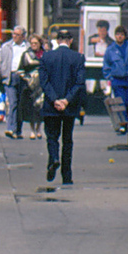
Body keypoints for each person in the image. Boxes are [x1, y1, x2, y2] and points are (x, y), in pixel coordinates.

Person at [39, 29, 86, 185]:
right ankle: (67, 175)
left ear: (57, 40)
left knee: (52, 137)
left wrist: (54, 100)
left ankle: (53, 157)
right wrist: (66, 100)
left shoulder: (46, 57)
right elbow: (79, 83)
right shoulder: (78, 57)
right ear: (70, 40)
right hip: (69, 107)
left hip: (51, 106)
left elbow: (44, 82)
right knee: (68, 139)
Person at [102, 25, 128, 121]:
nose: (119, 37)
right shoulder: (110, 49)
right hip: (117, 80)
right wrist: (109, 77)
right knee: (121, 103)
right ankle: (124, 123)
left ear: (125, 36)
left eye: (121, 34)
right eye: (117, 35)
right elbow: (106, 64)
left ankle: (127, 119)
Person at [0, 26, 28, 139]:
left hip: (23, 77)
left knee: (20, 105)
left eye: (17, 35)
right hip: (9, 76)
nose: (14, 36)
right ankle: (10, 128)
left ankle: (18, 130)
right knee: (12, 102)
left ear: (23, 36)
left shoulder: (27, 47)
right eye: (13, 34)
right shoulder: (6, 47)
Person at [18, 34, 44, 140]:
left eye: (36, 43)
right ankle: (32, 130)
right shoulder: (26, 55)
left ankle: (39, 128)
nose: (33, 45)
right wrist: (28, 79)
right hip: (30, 86)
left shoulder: (45, 54)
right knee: (31, 109)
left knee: (41, 108)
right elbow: (20, 70)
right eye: (32, 43)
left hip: (42, 85)